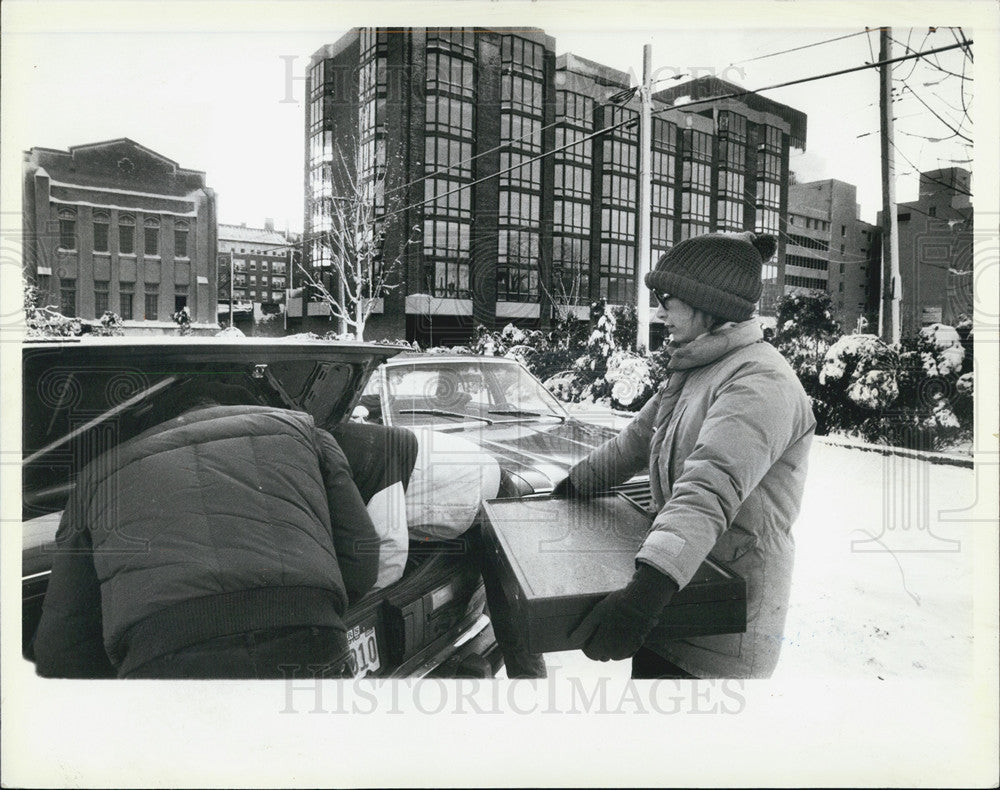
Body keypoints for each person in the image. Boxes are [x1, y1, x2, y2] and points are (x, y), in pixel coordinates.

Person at [556, 231, 816, 679]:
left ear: (708, 304)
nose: (659, 312)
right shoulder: (699, 369)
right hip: (678, 594)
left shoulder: (759, 381)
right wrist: (572, 487)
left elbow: (707, 489)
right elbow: (633, 443)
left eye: (667, 298)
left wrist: (641, 601)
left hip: (723, 624)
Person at [32, 380, 382, 679]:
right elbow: (361, 553)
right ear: (237, 407)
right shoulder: (306, 432)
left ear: (160, 423)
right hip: (309, 640)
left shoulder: (95, 479)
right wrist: (312, 608)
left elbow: (62, 644)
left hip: (166, 664)